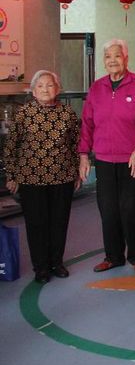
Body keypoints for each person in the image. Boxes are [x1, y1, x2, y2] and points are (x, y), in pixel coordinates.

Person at [79, 39, 135, 275]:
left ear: (126, 59)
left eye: (117, 56)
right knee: (108, 210)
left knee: (132, 209)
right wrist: (84, 154)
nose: (112, 60)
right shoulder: (96, 88)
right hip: (104, 159)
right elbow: (87, 123)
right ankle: (113, 256)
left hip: (132, 160)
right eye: (108, 56)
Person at [4, 71, 81, 284]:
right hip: (31, 178)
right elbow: (11, 146)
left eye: (50, 85)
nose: (45, 89)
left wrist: (76, 171)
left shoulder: (67, 113)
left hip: (62, 176)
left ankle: (57, 263)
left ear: (58, 89)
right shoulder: (24, 113)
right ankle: (41, 267)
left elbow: (76, 144)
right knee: (36, 224)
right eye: (40, 86)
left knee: (59, 222)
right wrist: (11, 175)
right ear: (33, 91)